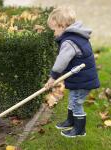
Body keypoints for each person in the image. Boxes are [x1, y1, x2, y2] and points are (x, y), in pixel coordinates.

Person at [45, 6, 100, 138]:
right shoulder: (76, 36)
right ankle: (71, 121)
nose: (54, 33)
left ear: (62, 26)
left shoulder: (69, 42)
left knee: (76, 103)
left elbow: (61, 61)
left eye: (54, 29)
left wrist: (52, 77)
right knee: (73, 100)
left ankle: (79, 130)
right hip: (81, 78)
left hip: (83, 80)